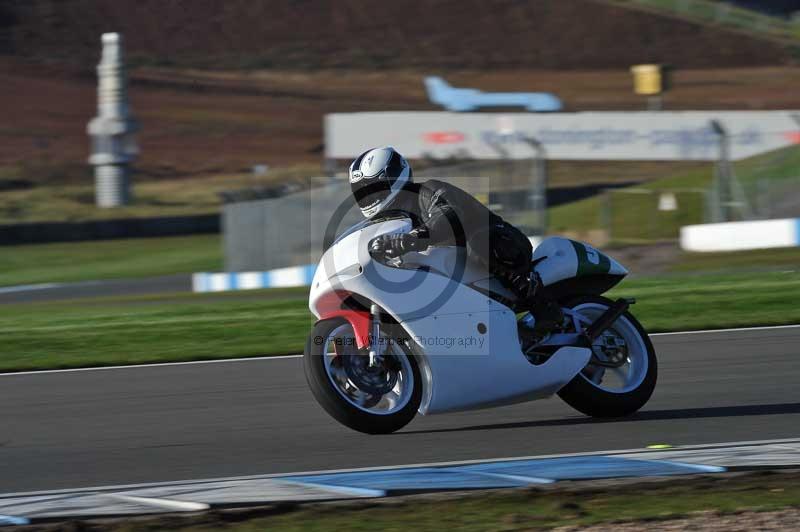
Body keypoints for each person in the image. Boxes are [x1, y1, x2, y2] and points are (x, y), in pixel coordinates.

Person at [348, 145, 544, 309]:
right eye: (362, 193)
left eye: (373, 189)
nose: (368, 198)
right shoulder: (383, 223)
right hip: (454, 278)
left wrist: (412, 239)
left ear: (393, 177)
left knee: (480, 243)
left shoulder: (428, 190)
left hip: (501, 245)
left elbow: (450, 215)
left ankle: (538, 298)